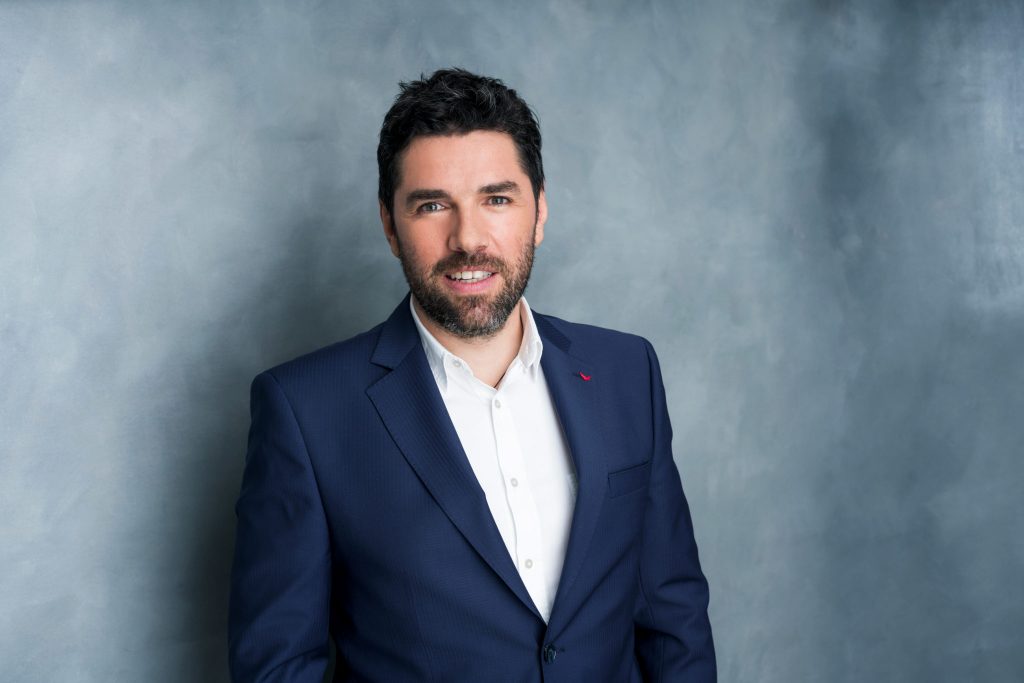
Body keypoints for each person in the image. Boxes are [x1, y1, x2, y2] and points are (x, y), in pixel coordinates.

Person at [228, 67, 716, 682]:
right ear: (390, 225)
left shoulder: (626, 372)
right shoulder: (305, 410)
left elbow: (673, 619)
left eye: (497, 199)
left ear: (539, 210)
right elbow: (277, 667)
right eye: (433, 205)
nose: (468, 239)